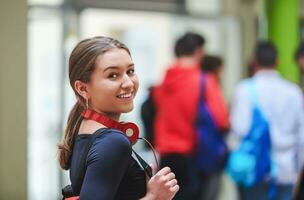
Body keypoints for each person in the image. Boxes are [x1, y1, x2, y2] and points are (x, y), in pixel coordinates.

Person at [57, 36, 179, 200]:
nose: (128, 83)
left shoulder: (84, 128)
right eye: (113, 75)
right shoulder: (112, 141)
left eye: (130, 71)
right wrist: (154, 197)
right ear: (82, 88)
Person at [230, 41, 304, 200]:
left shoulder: (244, 90)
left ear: (254, 61)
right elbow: (301, 137)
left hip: (253, 170)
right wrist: (298, 170)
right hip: (286, 168)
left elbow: (239, 129)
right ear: (278, 61)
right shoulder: (293, 92)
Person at [152, 32, 205, 200]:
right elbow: (221, 118)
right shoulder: (203, 81)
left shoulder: (165, 80)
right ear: (198, 52)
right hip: (192, 151)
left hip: (165, 151)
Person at [196, 55, 230, 200]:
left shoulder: (195, 80)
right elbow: (222, 119)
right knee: (211, 191)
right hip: (211, 147)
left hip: (196, 146)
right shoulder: (209, 82)